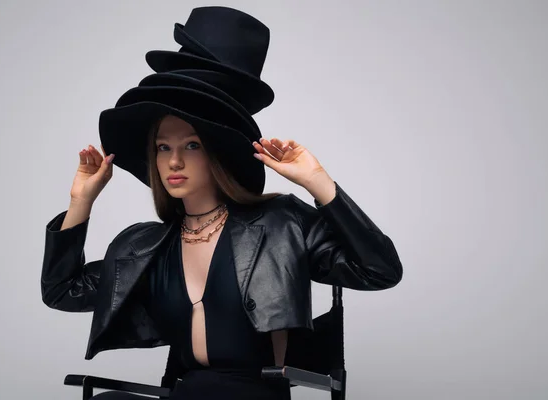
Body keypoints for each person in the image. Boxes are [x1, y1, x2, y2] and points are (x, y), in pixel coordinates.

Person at [40, 6, 403, 400]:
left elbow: (379, 271)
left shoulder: (281, 223)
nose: (173, 161)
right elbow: (63, 291)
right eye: (164, 147)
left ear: (218, 153)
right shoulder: (143, 247)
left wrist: (320, 184)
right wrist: (81, 202)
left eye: (191, 145)